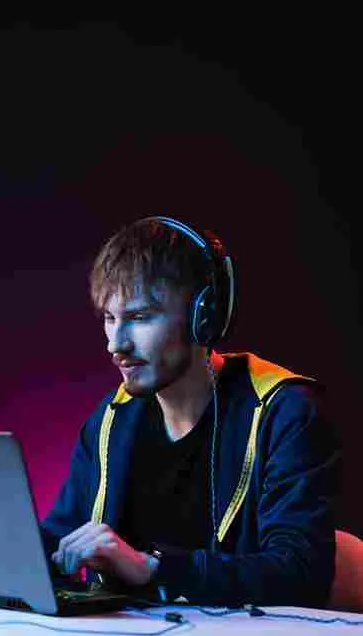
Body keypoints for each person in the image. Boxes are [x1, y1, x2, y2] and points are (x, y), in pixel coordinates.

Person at [40, 215, 342, 608]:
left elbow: (301, 572)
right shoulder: (112, 420)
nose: (116, 345)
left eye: (140, 318)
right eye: (110, 319)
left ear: (204, 317)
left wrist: (154, 568)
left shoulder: (284, 412)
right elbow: (57, 541)